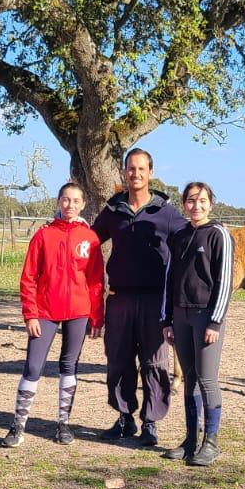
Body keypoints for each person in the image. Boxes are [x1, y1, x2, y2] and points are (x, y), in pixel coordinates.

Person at [91, 148, 187, 446]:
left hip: (154, 301)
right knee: (118, 360)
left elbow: (189, 241)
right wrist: (60, 226)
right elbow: (89, 240)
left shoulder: (166, 212)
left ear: (151, 172)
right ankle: (124, 419)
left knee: (154, 363)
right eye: (131, 169)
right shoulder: (113, 210)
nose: (136, 174)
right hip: (119, 298)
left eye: (141, 169)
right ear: (124, 172)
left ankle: (151, 423)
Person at [3, 181, 103, 447]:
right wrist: (30, 314)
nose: (70, 205)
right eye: (65, 200)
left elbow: (95, 281)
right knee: (33, 367)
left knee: (69, 366)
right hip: (45, 311)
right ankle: (18, 426)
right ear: (58, 202)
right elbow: (28, 278)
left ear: (83, 204)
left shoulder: (90, 238)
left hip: (78, 312)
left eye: (75, 201)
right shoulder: (43, 235)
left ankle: (63, 424)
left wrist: (97, 316)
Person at [161, 181, 233, 466]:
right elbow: (170, 278)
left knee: (206, 378)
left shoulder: (219, 235)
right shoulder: (179, 236)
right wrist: (167, 319)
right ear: (184, 204)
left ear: (211, 204)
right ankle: (191, 439)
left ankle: (211, 442)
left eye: (202, 200)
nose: (196, 205)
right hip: (180, 316)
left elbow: (224, 281)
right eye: (191, 200)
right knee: (189, 378)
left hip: (206, 317)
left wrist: (215, 322)